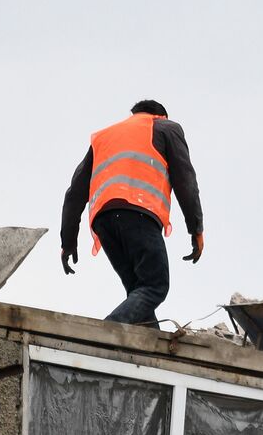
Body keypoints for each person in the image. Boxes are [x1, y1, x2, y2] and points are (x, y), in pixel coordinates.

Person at [60, 100, 204, 327]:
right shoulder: (167, 128)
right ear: (161, 116)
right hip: (138, 212)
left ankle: (153, 353)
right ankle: (107, 331)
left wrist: (68, 241)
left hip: (103, 220)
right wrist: (196, 229)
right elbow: (185, 181)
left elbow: (75, 192)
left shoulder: (103, 137)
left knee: (140, 293)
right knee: (155, 285)